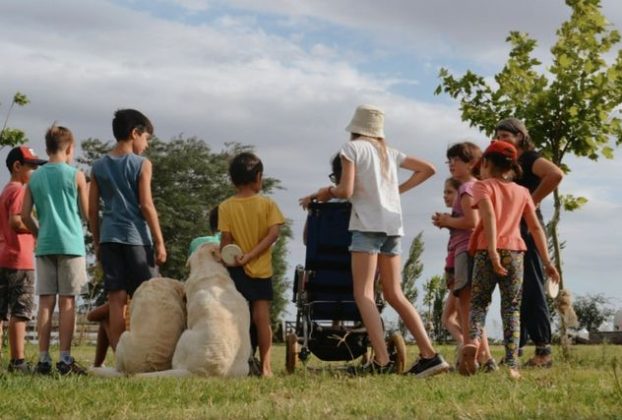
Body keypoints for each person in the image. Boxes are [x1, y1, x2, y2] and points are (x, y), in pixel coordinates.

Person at [300, 104, 449, 376]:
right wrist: (396, 190)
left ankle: (381, 360)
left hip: (367, 226)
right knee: (394, 293)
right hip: (393, 226)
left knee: (364, 293)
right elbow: (429, 169)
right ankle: (430, 355)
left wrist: (325, 192)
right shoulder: (388, 152)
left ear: (355, 128)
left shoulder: (351, 149)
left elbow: (345, 190)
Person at [461, 140, 559, 380]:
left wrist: (492, 249)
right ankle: (513, 365)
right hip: (515, 253)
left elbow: (489, 216)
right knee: (512, 308)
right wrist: (547, 262)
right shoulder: (522, 192)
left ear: (485, 162)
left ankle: (473, 341)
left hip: (487, 251)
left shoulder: (482, 186)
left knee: (479, 303)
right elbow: (535, 228)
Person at [89, 108, 167, 351]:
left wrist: (97, 241)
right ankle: (151, 350)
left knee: (116, 299)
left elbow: (92, 210)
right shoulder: (142, 164)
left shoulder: (98, 166)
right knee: (149, 296)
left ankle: (121, 357)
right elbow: (146, 205)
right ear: (135, 133)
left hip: (109, 238)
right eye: (146, 138)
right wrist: (159, 241)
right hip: (136, 239)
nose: (146, 144)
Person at [495, 117, 564, 367]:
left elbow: (555, 174)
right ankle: (518, 347)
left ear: (520, 136)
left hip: (528, 228)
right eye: (497, 137)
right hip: (512, 228)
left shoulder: (530, 158)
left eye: (506, 136)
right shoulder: (510, 163)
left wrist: (530, 203)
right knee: (517, 289)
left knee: (532, 286)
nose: (501, 140)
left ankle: (544, 351)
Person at [21, 124, 89, 375]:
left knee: (45, 302)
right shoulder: (76, 175)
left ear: (47, 148)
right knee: (68, 301)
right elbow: (86, 213)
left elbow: (25, 215)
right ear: (69, 148)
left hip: (45, 244)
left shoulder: (34, 177)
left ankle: (43, 359)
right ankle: (65, 358)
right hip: (71, 244)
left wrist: (38, 233)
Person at [218, 152, 285, 377]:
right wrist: (252, 255)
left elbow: (226, 240)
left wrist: (229, 258)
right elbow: (273, 235)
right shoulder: (268, 204)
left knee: (236, 317)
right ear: (257, 177)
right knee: (261, 319)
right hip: (261, 271)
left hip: (236, 269)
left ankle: (235, 363)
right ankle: (266, 367)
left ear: (233, 179)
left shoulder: (225, 207)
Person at [432, 142, 495, 373]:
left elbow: (472, 222)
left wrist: (447, 221)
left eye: (456, 160)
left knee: (466, 305)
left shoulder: (468, 188)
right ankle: (484, 356)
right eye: (449, 160)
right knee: (468, 306)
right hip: (469, 250)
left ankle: (473, 354)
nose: (451, 164)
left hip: (466, 250)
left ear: (471, 163)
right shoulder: (474, 187)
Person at [0, 146, 46, 372]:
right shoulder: (19, 190)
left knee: (1, 312)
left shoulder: (6, 190)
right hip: (20, 260)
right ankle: (18, 361)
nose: (34, 171)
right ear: (17, 166)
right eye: (31, 167)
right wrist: (39, 228)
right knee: (20, 311)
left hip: (3, 257)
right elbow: (16, 221)